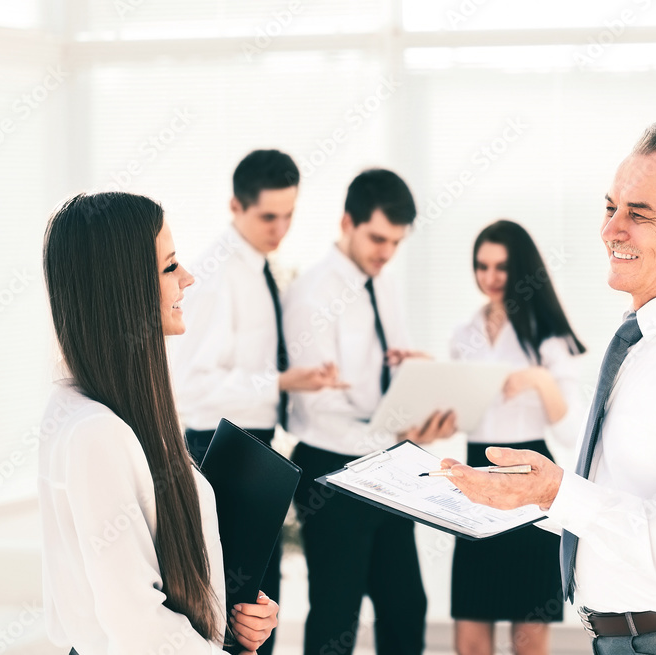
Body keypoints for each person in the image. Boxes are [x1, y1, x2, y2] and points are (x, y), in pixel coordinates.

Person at [442, 124, 656, 655]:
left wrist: (554, 491)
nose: (611, 231)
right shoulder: (642, 344)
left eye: (640, 214)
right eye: (611, 208)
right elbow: (624, 510)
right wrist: (524, 498)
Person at [38, 192, 279, 654]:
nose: (188, 279)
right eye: (169, 268)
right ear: (123, 289)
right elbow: (138, 628)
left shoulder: (98, 408)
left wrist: (230, 616)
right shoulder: (95, 432)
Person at [169, 150, 342, 655]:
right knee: (231, 617)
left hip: (252, 451)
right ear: (235, 207)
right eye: (269, 216)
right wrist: (281, 381)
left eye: (289, 214)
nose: (281, 228)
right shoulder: (218, 276)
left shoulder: (256, 267)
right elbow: (193, 384)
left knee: (255, 611)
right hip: (220, 455)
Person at [282, 168, 456, 655]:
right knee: (337, 614)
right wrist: (392, 433)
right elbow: (314, 409)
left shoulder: (384, 283)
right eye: (378, 238)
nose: (386, 252)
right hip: (332, 469)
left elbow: (394, 365)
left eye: (395, 242)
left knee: (405, 605)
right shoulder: (311, 294)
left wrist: (421, 404)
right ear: (347, 223)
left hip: (388, 463)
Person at [449, 219, 586, 655]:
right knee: (470, 630)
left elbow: (570, 430)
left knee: (528, 635)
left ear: (521, 268)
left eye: (501, 267)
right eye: (481, 266)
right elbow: (460, 417)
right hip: (473, 478)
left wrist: (539, 380)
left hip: (530, 477)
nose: (489, 278)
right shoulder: (463, 335)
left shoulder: (548, 336)